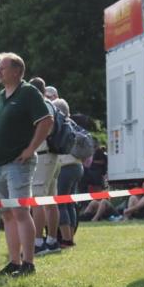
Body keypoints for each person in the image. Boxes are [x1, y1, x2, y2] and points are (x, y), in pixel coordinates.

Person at [0, 52, 53, 276]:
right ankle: (14, 262)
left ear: (17, 71)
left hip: (18, 164)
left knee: (20, 212)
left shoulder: (28, 92)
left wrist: (30, 149)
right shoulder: (1, 94)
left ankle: (29, 263)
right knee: (7, 214)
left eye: (2, 68)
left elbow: (46, 121)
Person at [28, 77, 62, 257]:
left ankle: (39, 241)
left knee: (38, 200)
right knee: (50, 200)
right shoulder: (51, 104)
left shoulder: (42, 106)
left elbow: (44, 129)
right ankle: (52, 239)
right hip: (52, 156)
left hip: (43, 155)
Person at [53, 99, 84, 248]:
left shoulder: (59, 123)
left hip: (65, 166)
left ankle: (65, 240)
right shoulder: (73, 123)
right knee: (70, 203)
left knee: (61, 204)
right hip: (77, 166)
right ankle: (70, 237)